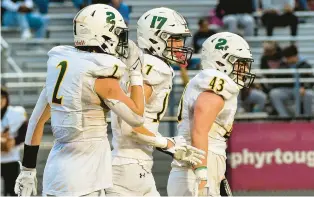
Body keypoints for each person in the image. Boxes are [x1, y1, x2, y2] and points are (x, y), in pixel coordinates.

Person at [14, 4, 146, 196]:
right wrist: (136, 73)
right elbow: (137, 117)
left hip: (57, 175)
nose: (121, 41)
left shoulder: (65, 68)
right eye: (118, 34)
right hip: (84, 182)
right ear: (102, 34)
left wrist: (28, 169)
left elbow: (36, 121)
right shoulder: (101, 75)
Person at [106, 7, 205, 196]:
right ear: (155, 38)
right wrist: (167, 144)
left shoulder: (145, 63)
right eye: (174, 39)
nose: (180, 45)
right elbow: (130, 125)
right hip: (128, 168)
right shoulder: (156, 68)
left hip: (132, 166)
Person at [167, 32, 256, 196]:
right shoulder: (215, 85)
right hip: (196, 168)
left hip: (202, 165)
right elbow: (199, 131)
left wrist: (219, 176)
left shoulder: (213, 84)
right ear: (221, 61)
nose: (244, 70)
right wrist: (201, 175)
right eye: (240, 64)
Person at [269, 45, 314, 117]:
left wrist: (305, 87)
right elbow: (278, 80)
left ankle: (308, 117)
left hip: (301, 90)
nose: (286, 59)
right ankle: (285, 117)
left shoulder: (305, 65)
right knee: (274, 93)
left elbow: (311, 80)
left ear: (294, 56)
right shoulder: (283, 65)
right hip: (288, 90)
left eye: (288, 58)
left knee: (309, 94)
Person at [1, 87, 28, 196]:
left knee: (12, 190)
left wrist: (14, 141)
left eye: (2, 98)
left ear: (6, 99)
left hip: (10, 158)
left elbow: (25, 131)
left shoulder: (16, 113)